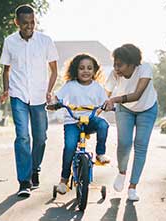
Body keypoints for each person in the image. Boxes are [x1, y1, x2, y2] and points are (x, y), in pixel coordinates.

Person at [0, 4, 59, 197]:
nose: (29, 26)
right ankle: (24, 181)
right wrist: (6, 89)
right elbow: (6, 69)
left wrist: (49, 91)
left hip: (39, 96)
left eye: (32, 22)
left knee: (40, 137)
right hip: (18, 95)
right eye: (25, 23)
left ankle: (35, 170)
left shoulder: (45, 41)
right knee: (23, 136)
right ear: (16, 22)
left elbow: (54, 70)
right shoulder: (9, 42)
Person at [103, 44, 158, 201]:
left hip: (147, 108)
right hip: (125, 110)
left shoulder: (144, 69)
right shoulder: (115, 74)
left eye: (120, 65)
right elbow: (103, 95)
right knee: (124, 143)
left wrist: (114, 99)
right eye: (115, 64)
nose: (116, 68)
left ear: (132, 63)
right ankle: (122, 172)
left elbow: (137, 95)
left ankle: (133, 187)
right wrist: (95, 111)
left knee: (140, 145)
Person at [53, 54, 110, 194]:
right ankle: (63, 180)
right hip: (72, 121)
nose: (86, 71)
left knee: (103, 125)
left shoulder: (97, 87)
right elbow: (57, 97)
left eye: (89, 68)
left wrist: (107, 106)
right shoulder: (70, 86)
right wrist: (54, 103)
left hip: (89, 120)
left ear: (94, 71)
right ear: (75, 70)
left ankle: (100, 153)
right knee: (70, 147)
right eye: (82, 68)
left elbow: (104, 103)